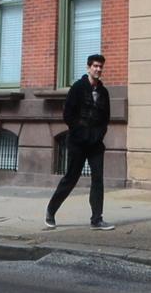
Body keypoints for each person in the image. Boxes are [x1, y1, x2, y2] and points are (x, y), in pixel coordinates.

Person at [45, 53, 112, 230]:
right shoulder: (78, 87)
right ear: (88, 68)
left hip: (96, 143)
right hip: (78, 142)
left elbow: (105, 118)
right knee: (71, 178)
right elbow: (68, 114)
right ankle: (51, 211)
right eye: (95, 66)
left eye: (100, 67)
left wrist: (99, 134)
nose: (98, 69)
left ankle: (97, 219)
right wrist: (80, 132)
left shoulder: (103, 92)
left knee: (98, 179)